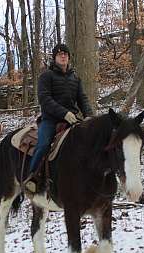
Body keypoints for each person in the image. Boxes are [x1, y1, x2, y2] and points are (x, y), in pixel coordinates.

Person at [24, 43, 94, 192]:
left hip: (73, 119)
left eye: (65, 54)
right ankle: (32, 177)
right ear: (54, 57)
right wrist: (64, 113)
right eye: (59, 54)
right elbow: (45, 99)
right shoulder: (46, 76)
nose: (63, 56)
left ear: (68, 57)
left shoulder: (75, 78)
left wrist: (89, 116)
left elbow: (82, 98)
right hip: (50, 120)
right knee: (43, 145)